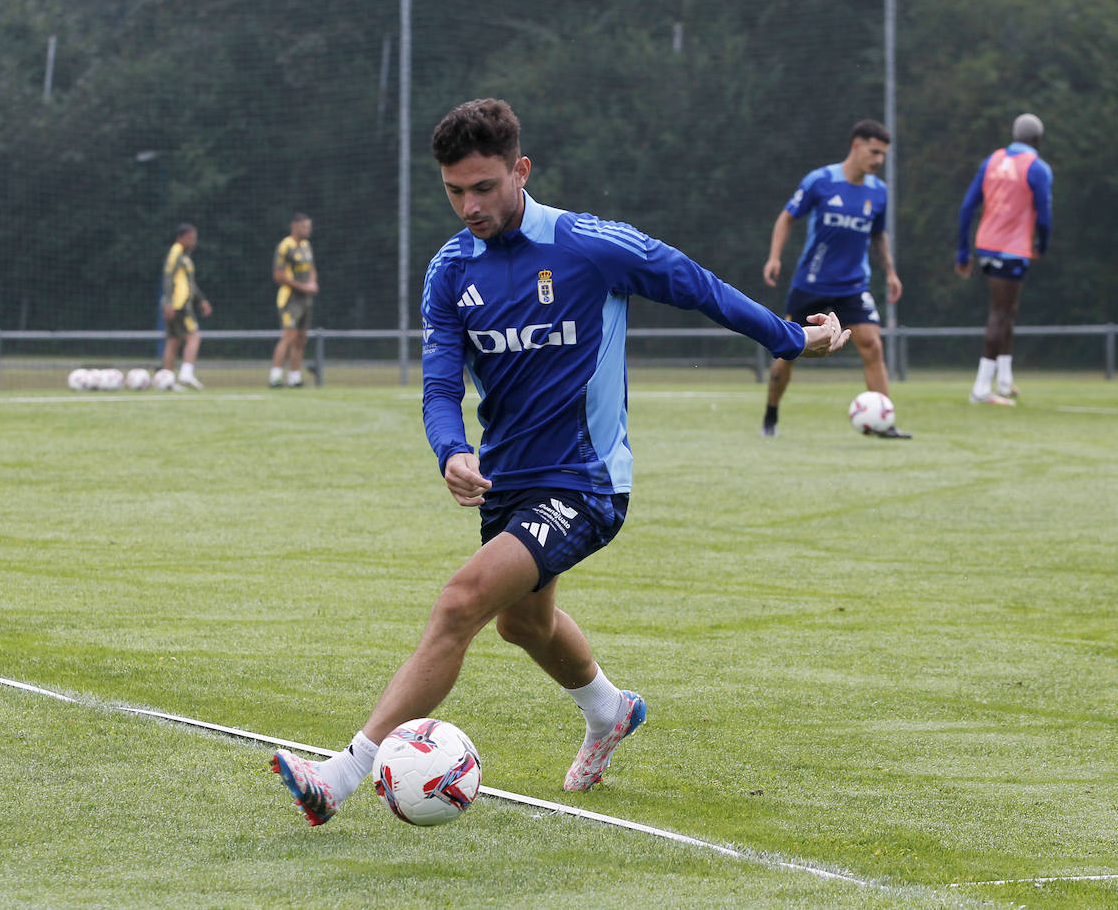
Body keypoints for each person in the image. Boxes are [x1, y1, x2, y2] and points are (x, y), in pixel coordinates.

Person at [270, 98, 851, 826]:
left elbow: (696, 284)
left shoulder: (589, 245)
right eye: (454, 190)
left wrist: (791, 337)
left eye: (484, 187)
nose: (469, 205)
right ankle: (611, 711)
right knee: (522, 624)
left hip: (587, 482)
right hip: (505, 485)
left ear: (521, 170)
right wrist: (450, 449)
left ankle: (339, 777)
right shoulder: (451, 270)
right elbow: (441, 384)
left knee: (460, 602)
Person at [760, 120, 910, 439]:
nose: (879, 160)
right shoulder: (821, 181)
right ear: (856, 146)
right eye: (874, 152)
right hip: (811, 285)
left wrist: (891, 271)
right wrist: (774, 257)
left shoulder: (878, 192)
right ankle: (771, 415)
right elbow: (787, 218)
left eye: (884, 154)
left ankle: (885, 422)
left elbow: (879, 235)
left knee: (872, 345)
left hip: (854, 285)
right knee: (789, 351)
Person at [955, 113, 1054, 405]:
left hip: (986, 246)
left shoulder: (992, 161)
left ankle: (1006, 380)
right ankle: (981, 389)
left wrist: (963, 251)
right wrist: (1042, 244)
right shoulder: (1037, 168)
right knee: (999, 313)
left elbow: (967, 206)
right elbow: (1045, 216)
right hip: (1010, 250)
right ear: (1037, 139)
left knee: (1008, 310)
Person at [269, 213, 319, 388]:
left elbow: (312, 268)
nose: (308, 230)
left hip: (306, 300)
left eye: (309, 226)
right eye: (305, 227)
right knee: (289, 336)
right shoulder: (285, 246)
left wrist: (312, 282)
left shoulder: (306, 246)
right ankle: (275, 376)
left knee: (301, 338)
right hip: (289, 299)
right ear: (295, 227)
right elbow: (278, 275)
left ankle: (294, 376)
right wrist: (304, 287)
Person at [160, 222, 212, 390]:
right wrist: (169, 301)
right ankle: (186, 373)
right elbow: (168, 276)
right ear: (180, 238)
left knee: (173, 341)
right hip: (179, 304)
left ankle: (166, 381)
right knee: (194, 336)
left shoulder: (185, 257)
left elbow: (190, 284)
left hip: (177, 303)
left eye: (194, 239)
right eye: (190, 238)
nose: (193, 242)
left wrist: (201, 300)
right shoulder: (176, 252)